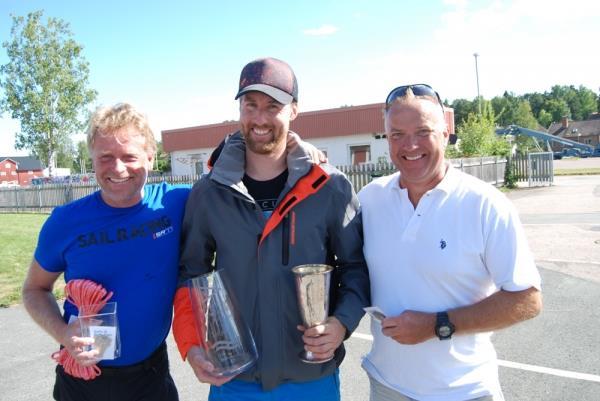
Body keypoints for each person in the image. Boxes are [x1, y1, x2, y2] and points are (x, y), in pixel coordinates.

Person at [172, 57, 370, 401]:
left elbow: (356, 268)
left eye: (273, 106)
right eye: (251, 105)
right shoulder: (209, 192)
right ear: (240, 109)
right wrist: (191, 346)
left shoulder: (329, 186)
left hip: (311, 379)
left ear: (294, 110)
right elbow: (190, 274)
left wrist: (340, 325)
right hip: (234, 380)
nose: (260, 118)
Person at [359, 84, 542, 401]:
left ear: (446, 133)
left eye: (423, 131)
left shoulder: (485, 204)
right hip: (386, 386)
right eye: (397, 134)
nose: (410, 144)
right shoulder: (369, 199)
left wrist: (437, 325)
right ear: (386, 139)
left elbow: (527, 299)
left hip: (464, 390)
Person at [22, 103, 189, 401]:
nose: (118, 168)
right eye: (106, 157)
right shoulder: (65, 222)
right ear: (92, 159)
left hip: (150, 375)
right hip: (84, 377)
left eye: (130, 157)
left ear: (151, 157)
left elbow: (230, 192)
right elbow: (34, 289)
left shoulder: (176, 203)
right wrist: (63, 334)